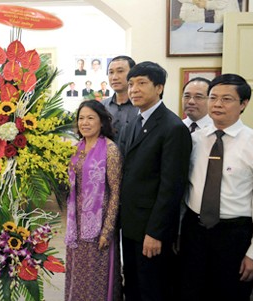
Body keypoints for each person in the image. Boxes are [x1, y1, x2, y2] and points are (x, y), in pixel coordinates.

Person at [118, 61, 192, 301]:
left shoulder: (172, 127)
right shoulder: (134, 122)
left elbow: (172, 187)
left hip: (151, 229)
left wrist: (155, 233)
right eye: (131, 84)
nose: (134, 89)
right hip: (130, 225)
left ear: (159, 87)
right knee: (133, 285)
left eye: (142, 83)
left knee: (153, 289)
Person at [180, 74, 253, 301]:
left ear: (243, 104)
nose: (217, 104)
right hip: (194, 231)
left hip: (234, 235)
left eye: (226, 99)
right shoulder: (194, 139)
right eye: (213, 98)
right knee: (189, 292)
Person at [65, 100, 123, 300]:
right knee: (77, 274)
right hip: (77, 225)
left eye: (91, 118)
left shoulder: (110, 149)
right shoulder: (76, 148)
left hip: (99, 224)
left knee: (97, 277)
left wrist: (107, 230)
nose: (85, 123)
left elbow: (116, 192)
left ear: (102, 121)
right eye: (81, 118)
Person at [102, 55, 138, 142]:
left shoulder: (142, 107)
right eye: (111, 72)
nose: (114, 77)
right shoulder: (102, 106)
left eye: (120, 71)